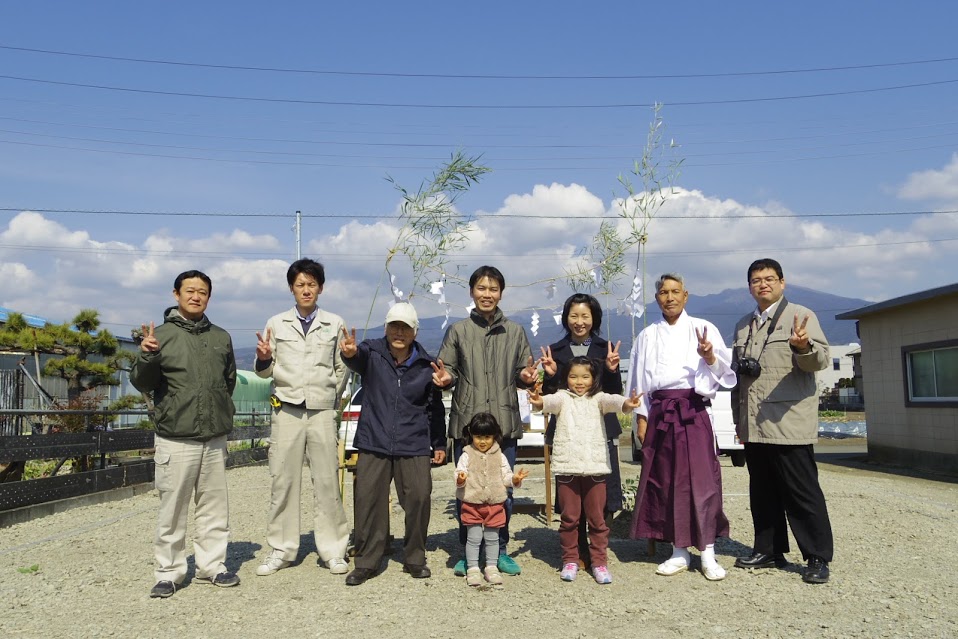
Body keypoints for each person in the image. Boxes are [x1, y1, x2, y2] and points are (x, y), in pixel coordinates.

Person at [131, 270, 239, 598]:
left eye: (202, 291)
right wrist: (147, 355)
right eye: (189, 290)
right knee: (172, 509)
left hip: (214, 435)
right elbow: (142, 383)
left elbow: (229, 381)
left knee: (214, 507)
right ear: (176, 294)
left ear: (209, 296)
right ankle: (169, 572)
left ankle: (212, 566)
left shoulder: (221, 337)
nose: (196, 296)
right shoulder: (160, 336)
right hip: (175, 436)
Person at [626, 273, 736, 581]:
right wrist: (642, 417)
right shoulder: (647, 335)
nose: (670, 297)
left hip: (692, 411)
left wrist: (709, 355)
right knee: (666, 480)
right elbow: (637, 381)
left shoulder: (703, 328)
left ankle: (709, 551)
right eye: (664, 292)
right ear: (657, 297)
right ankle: (678, 550)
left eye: (675, 292)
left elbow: (725, 372)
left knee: (704, 482)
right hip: (660, 413)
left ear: (686, 296)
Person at [731, 258, 834, 584]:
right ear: (749, 286)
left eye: (769, 278)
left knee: (802, 492)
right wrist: (738, 419)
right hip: (755, 424)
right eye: (756, 280)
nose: (763, 284)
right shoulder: (743, 325)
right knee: (761, 491)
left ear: (782, 282)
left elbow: (820, 360)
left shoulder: (800, 316)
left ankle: (817, 556)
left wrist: (803, 346)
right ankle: (769, 550)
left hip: (789, 422)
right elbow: (739, 377)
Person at [433, 265, 538, 577]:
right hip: (467, 424)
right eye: (481, 288)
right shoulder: (458, 331)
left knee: (502, 491)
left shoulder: (515, 332)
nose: (487, 294)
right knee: (468, 491)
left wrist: (527, 376)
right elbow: (448, 370)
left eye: (493, 289)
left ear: (501, 293)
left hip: (503, 424)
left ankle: (500, 550)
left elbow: (523, 372)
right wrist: (444, 377)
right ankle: (469, 553)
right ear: (471, 292)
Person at [338, 302, 447, 586]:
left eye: (405, 327)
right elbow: (355, 358)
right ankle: (367, 561)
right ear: (386, 328)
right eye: (394, 326)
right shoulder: (371, 352)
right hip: (374, 439)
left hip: (414, 442)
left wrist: (439, 443)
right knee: (368, 501)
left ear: (415, 332)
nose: (399, 332)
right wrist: (348, 353)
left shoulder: (427, 364)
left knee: (419, 498)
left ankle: (414, 557)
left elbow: (435, 408)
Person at [253, 258, 350, 577]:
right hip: (286, 409)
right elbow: (266, 370)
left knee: (326, 482)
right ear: (291, 288)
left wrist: (330, 399)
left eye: (311, 284)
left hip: (322, 411)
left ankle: (334, 550)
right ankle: (281, 549)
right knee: (283, 480)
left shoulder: (335, 323)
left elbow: (341, 368)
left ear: (320, 288)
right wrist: (263, 358)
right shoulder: (276, 323)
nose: (306, 289)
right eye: (300, 284)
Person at [528, 356, 641, 584]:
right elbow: (546, 403)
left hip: (595, 467)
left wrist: (628, 404)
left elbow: (614, 402)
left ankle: (599, 562)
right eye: (573, 376)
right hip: (567, 466)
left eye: (585, 377)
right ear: (566, 378)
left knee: (597, 520)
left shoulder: (598, 399)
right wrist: (538, 401)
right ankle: (570, 560)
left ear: (593, 379)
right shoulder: (562, 397)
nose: (579, 381)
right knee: (569, 518)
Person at [540, 293, 624, 570]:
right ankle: (574, 554)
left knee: (600, 494)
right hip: (568, 433)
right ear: (566, 318)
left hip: (599, 432)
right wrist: (551, 375)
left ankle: (597, 553)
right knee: (571, 497)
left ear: (594, 318)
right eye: (573, 316)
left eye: (585, 316)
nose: (579, 322)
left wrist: (611, 370)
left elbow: (614, 394)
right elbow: (550, 397)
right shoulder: (555, 350)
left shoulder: (605, 348)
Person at [455, 412, 529, 586]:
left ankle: (491, 566)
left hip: (495, 503)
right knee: (473, 537)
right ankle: (472, 567)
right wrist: (460, 479)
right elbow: (458, 472)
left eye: (487, 437)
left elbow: (506, 477)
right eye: (478, 436)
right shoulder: (466, 454)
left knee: (492, 537)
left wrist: (515, 480)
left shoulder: (500, 455)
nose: (482, 441)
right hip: (472, 502)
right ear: (471, 435)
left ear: (494, 436)